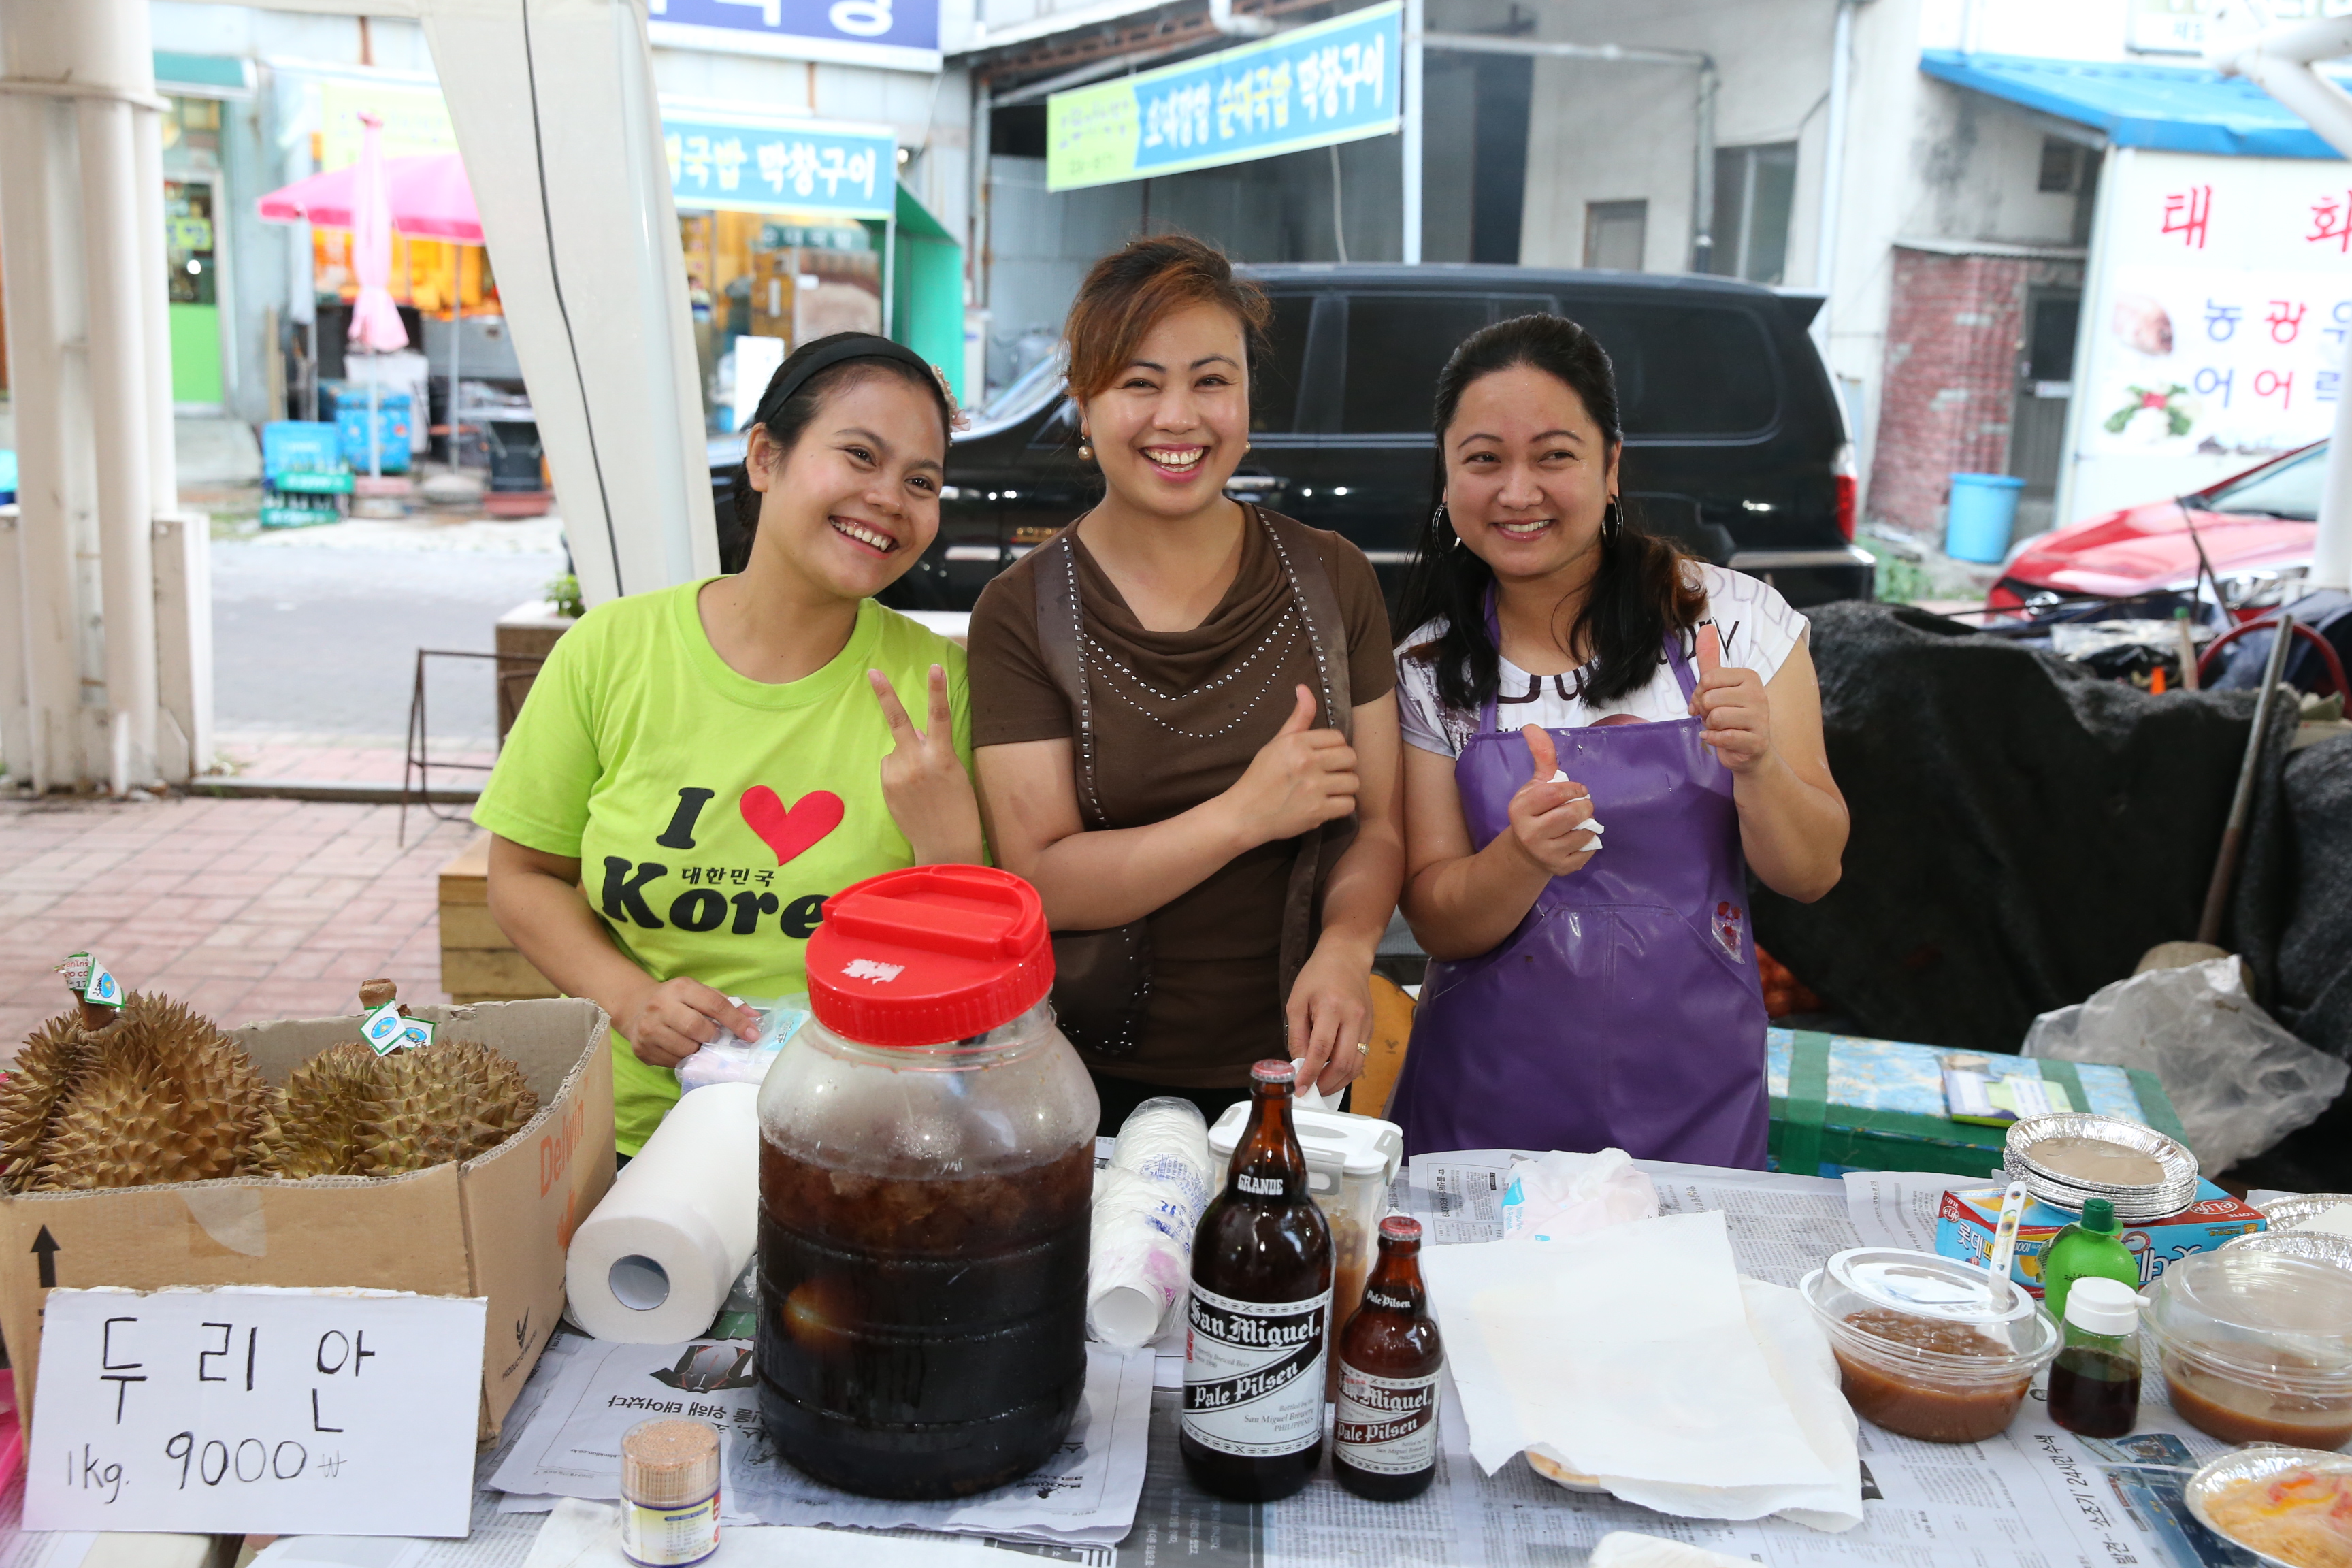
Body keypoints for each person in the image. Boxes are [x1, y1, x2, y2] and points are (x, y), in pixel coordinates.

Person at [474, 333, 982, 1158]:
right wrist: (632, 999)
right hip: (634, 1141)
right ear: (763, 458)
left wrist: (945, 839)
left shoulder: (938, 689)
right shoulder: (611, 652)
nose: (891, 497)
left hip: (859, 1140)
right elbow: (523, 875)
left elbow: (973, 963)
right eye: (860, 455)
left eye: (921, 481)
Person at [1385, 314, 1848, 1165]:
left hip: (1695, 1103)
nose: (1518, 492)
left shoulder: (1737, 623)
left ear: (1611, 468)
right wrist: (1519, 858)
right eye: (1484, 459)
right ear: (1447, 478)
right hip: (1484, 1110)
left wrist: (1759, 765)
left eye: (1554, 455)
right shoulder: (1426, 667)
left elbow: (1812, 872)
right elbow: (1437, 917)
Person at [967, 235, 1404, 1134]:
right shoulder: (1023, 610)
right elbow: (1040, 876)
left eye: (1212, 380)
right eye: (1139, 382)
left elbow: (1380, 823)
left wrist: (1348, 947)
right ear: (1084, 406)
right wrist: (1245, 814)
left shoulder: (1332, 576)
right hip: (1078, 1078)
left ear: (1246, 400)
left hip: (1295, 1073)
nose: (1180, 417)